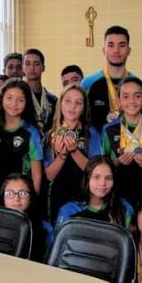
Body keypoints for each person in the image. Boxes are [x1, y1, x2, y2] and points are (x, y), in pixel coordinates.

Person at [101, 76, 142, 207]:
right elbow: (101, 163)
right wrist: (117, 162)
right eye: (125, 97)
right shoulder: (109, 129)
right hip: (116, 192)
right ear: (119, 101)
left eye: (137, 96)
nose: (132, 101)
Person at [43, 84, 101, 221]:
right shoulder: (49, 135)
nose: (72, 106)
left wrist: (74, 151)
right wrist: (62, 156)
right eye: (68, 101)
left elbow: (95, 170)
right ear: (60, 104)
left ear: (84, 108)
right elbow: (48, 176)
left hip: (85, 195)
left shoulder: (90, 133)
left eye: (78, 103)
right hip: (57, 195)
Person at [81, 25, 142, 131]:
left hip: (132, 145)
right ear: (103, 50)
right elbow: (80, 121)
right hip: (97, 146)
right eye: (111, 45)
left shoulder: (141, 85)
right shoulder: (88, 84)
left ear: (129, 50)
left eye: (122, 45)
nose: (116, 50)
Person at [0, 78, 43, 194]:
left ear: (27, 102)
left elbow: (36, 173)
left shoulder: (30, 132)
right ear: (1, 98)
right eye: (9, 98)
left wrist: (34, 200)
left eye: (20, 100)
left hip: (19, 194)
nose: (14, 104)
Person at [56, 155, 134, 228]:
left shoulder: (124, 208)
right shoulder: (69, 210)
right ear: (87, 179)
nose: (102, 183)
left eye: (108, 178)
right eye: (96, 177)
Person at [0, 173, 51, 262]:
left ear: (30, 199)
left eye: (22, 193)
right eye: (10, 193)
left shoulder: (45, 228)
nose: (16, 198)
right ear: (3, 197)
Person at [23, 48, 57, 133]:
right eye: (27, 64)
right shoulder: (19, 98)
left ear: (43, 67)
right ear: (22, 67)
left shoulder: (53, 100)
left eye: (36, 64)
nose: (32, 67)